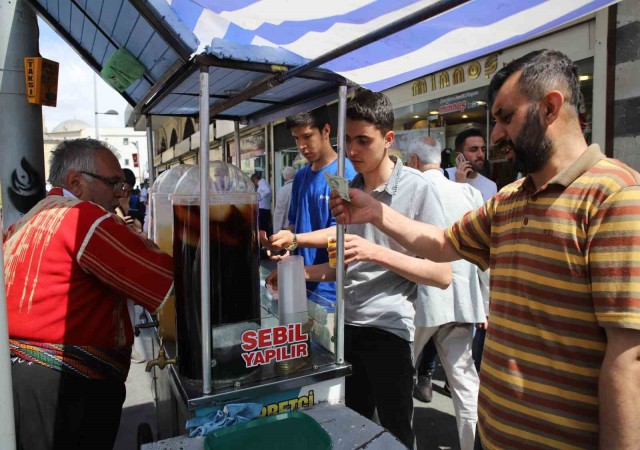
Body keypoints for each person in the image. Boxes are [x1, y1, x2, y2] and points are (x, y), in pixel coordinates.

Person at [329, 50, 640, 450]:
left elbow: (628, 361)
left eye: (506, 117)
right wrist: (374, 212)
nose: (494, 136)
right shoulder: (509, 200)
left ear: (550, 107)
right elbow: (442, 244)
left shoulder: (615, 196)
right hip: (492, 435)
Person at [266, 89, 452, 448]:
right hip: (344, 324)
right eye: (348, 140)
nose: (352, 151)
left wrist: (374, 252)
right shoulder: (347, 183)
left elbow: (441, 274)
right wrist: (296, 248)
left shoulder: (417, 188)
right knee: (351, 430)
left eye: (363, 141)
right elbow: (340, 255)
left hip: (389, 330)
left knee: (395, 436)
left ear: (388, 138)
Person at [4, 138, 174, 450]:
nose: (119, 195)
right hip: (64, 385)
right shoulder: (84, 217)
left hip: (23, 376)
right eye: (113, 184)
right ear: (75, 182)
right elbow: (162, 276)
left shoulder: (29, 218)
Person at [407, 136, 489, 449]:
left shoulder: (412, 190)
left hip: (422, 302)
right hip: (462, 300)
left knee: (401, 376)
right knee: (465, 382)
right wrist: (485, 303)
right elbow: (485, 252)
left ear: (414, 162)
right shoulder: (469, 192)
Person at [269, 105, 357, 307]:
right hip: (300, 285)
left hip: (330, 291)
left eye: (307, 137)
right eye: (296, 138)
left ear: (326, 131)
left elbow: (342, 231)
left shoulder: (341, 175)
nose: (301, 146)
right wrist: (286, 248)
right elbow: (295, 225)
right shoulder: (300, 177)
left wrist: (294, 238)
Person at [445, 128, 497, 202]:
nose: (480, 154)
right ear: (459, 156)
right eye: (473, 150)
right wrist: (460, 185)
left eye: (483, 149)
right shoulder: (443, 177)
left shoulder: (491, 186)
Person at [273, 166, 296, 234]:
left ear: (284, 178)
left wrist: (276, 233)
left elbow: (279, 213)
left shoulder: (283, 191)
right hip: (303, 231)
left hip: (287, 231)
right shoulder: (302, 187)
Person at [251, 172, 273, 240]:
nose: (254, 184)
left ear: (255, 179)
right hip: (264, 208)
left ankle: (264, 241)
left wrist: (259, 197)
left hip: (263, 209)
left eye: (253, 182)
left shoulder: (262, 183)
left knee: (263, 227)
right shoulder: (263, 183)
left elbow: (267, 191)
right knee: (265, 226)